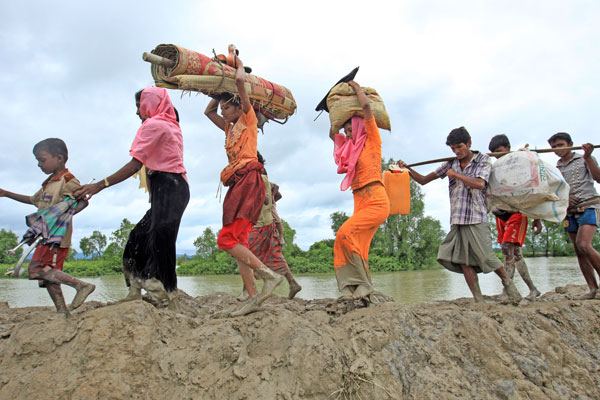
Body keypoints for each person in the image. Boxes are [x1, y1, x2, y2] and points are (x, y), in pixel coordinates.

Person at [74, 87, 189, 310]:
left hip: (170, 187)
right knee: (138, 238)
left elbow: (135, 164)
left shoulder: (155, 125)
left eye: (139, 105)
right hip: (169, 189)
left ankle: (169, 297)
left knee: (162, 244)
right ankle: (136, 289)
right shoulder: (168, 124)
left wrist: (100, 185)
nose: (137, 111)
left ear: (152, 104)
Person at [397, 127, 521, 304]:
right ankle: (478, 299)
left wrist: (456, 175)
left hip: (476, 217)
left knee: (487, 257)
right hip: (457, 219)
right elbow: (424, 180)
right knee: (464, 261)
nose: (457, 151)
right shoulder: (450, 163)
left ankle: (509, 286)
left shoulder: (483, 160)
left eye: (460, 147)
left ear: (469, 143)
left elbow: (479, 184)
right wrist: (407, 169)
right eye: (453, 148)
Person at [204, 55, 282, 316]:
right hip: (238, 183)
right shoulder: (229, 129)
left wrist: (235, 61)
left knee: (226, 240)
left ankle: (268, 277)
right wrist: (219, 92)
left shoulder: (248, 121)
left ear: (239, 108)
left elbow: (240, 80)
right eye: (224, 107)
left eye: (228, 107)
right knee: (239, 243)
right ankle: (253, 297)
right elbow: (208, 112)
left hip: (249, 182)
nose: (223, 111)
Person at [0, 138, 95, 315]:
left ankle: (81, 285)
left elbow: (83, 202)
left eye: (42, 160)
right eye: (37, 160)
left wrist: (62, 217)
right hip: (43, 235)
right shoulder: (49, 183)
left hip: (56, 238)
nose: (39, 164)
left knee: (36, 268)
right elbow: (32, 200)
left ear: (59, 158)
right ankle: (62, 311)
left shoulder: (68, 180)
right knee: (49, 276)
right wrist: (6, 194)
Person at [329, 80, 390, 303]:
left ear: (359, 127)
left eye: (350, 128)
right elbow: (332, 135)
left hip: (376, 200)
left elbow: (366, 110)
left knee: (344, 233)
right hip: (359, 201)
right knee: (353, 245)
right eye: (346, 130)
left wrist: (356, 89)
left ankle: (362, 285)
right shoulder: (348, 149)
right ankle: (353, 289)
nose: (347, 132)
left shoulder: (372, 140)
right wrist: (330, 113)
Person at [239, 152, 302, 300]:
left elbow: (265, 199)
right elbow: (271, 195)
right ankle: (293, 284)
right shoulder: (262, 177)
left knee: (244, 254)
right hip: (268, 224)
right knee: (275, 254)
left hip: (259, 224)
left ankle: (247, 290)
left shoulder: (257, 177)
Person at [488, 134, 541, 300]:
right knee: (514, 254)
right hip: (501, 213)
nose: (497, 155)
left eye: (499, 151)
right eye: (494, 153)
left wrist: (537, 217)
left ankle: (507, 291)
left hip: (517, 213)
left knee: (507, 248)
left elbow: (532, 190)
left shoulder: (519, 165)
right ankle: (533, 289)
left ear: (508, 148)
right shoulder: (496, 168)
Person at [548, 132, 600, 299]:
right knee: (579, 251)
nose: (557, 149)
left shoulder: (584, 159)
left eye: (561, 145)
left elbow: (598, 178)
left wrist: (589, 157)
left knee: (584, 244)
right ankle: (592, 288)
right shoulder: (556, 168)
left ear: (570, 144)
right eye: (554, 147)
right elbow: (556, 191)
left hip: (588, 206)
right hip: (569, 211)